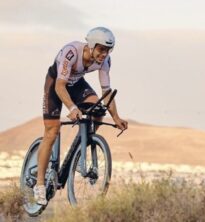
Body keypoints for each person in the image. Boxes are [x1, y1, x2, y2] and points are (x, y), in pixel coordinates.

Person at [34, 27, 128, 205]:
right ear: (91, 46)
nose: (104, 54)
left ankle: (82, 143)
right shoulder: (71, 52)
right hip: (56, 84)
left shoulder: (105, 61)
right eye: (101, 49)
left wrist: (116, 117)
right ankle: (39, 184)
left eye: (108, 50)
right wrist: (72, 107)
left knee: (98, 111)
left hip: (76, 83)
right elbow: (60, 86)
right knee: (52, 131)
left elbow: (106, 92)